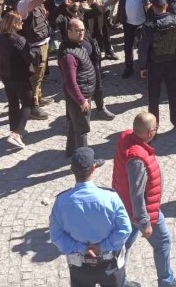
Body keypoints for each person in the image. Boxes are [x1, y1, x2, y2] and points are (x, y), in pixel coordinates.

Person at [113, 112, 176, 287]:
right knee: (162, 241)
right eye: (155, 128)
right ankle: (166, 282)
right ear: (150, 133)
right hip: (143, 211)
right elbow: (137, 193)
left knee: (121, 247)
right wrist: (144, 222)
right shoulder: (137, 159)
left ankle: (120, 283)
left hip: (125, 207)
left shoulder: (125, 137)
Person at [50, 147, 133, 287]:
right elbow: (125, 229)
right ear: (94, 168)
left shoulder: (61, 201)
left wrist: (82, 248)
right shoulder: (110, 197)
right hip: (109, 264)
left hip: (80, 266)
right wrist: (102, 246)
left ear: (71, 170)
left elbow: (56, 236)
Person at [137, 0, 176, 133]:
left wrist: (142, 67)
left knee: (153, 98)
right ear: (166, 6)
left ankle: (152, 129)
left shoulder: (148, 26)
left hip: (155, 65)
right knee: (175, 95)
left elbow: (143, 48)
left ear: (153, 7)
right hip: (173, 64)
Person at [59, 16, 100, 157]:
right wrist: (81, 100)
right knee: (82, 128)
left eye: (83, 30)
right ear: (69, 32)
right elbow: (70, 81)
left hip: (82, 92)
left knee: (73, 123)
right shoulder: (69, 56)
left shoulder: (78, 45)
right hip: (79, 96)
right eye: (78, 31)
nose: (82, 33)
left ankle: (71, 152)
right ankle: (85, 161)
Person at [0, 9, 36, 150]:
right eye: (20, 21)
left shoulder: (0, 37)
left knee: (13, 102)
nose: (22, 23)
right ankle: (16, 133)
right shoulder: (19, 40)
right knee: (27, 103)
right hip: (20, 76)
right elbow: (29, 57)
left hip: (6, 75)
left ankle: (14, 128)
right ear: (15, 24)